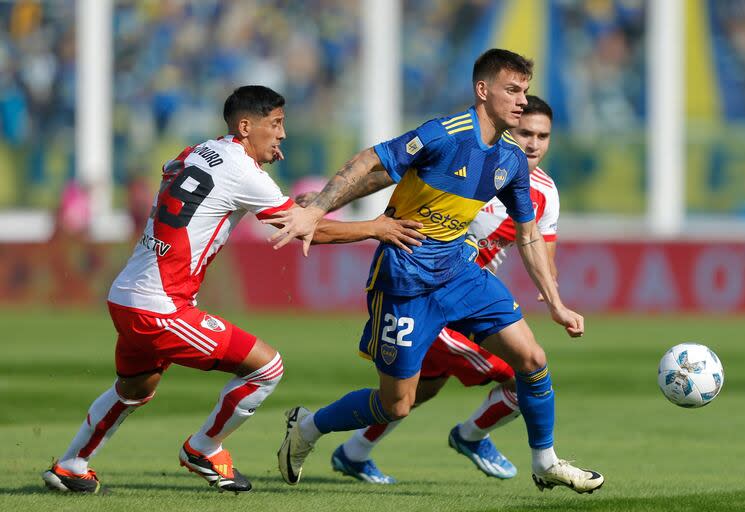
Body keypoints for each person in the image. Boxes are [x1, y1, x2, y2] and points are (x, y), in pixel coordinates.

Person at [41, 85, 425, 494]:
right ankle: (203, 448)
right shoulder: (244, 173)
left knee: (135, 388)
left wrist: (269, 192)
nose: (282, 135)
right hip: (161, 305)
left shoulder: (198, 150)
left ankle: (70, 464)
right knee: (266, 367)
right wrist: (376, 228)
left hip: (126, 294)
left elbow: (181, 176)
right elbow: (303, 228)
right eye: (275, 124)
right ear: (246, 126)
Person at [267, 50, 604, 494]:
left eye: (524, 91)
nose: (522, 101)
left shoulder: (511, 160)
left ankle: (545, 462)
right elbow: (371, 161)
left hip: (460, 274)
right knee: (397, 404)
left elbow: (529, 235)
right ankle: (308, 428)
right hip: (404, 279)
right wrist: (321, 209)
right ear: (483, 91)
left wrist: (556, 304)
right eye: (512, 90)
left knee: (532, 359)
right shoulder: (445, 134)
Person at [326, 95, 560, 484]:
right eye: (525, 133)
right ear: (505, 131)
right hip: (428, 293)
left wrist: (550, 292)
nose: (533, 143)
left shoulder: (543, 193)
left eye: (543, 135)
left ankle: (352, 451)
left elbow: (540, 247)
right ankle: (470, 435)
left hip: (468, 300)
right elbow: (389, 173)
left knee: (419, 391)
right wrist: (327, 203)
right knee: (522, 373)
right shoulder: (467, 165)